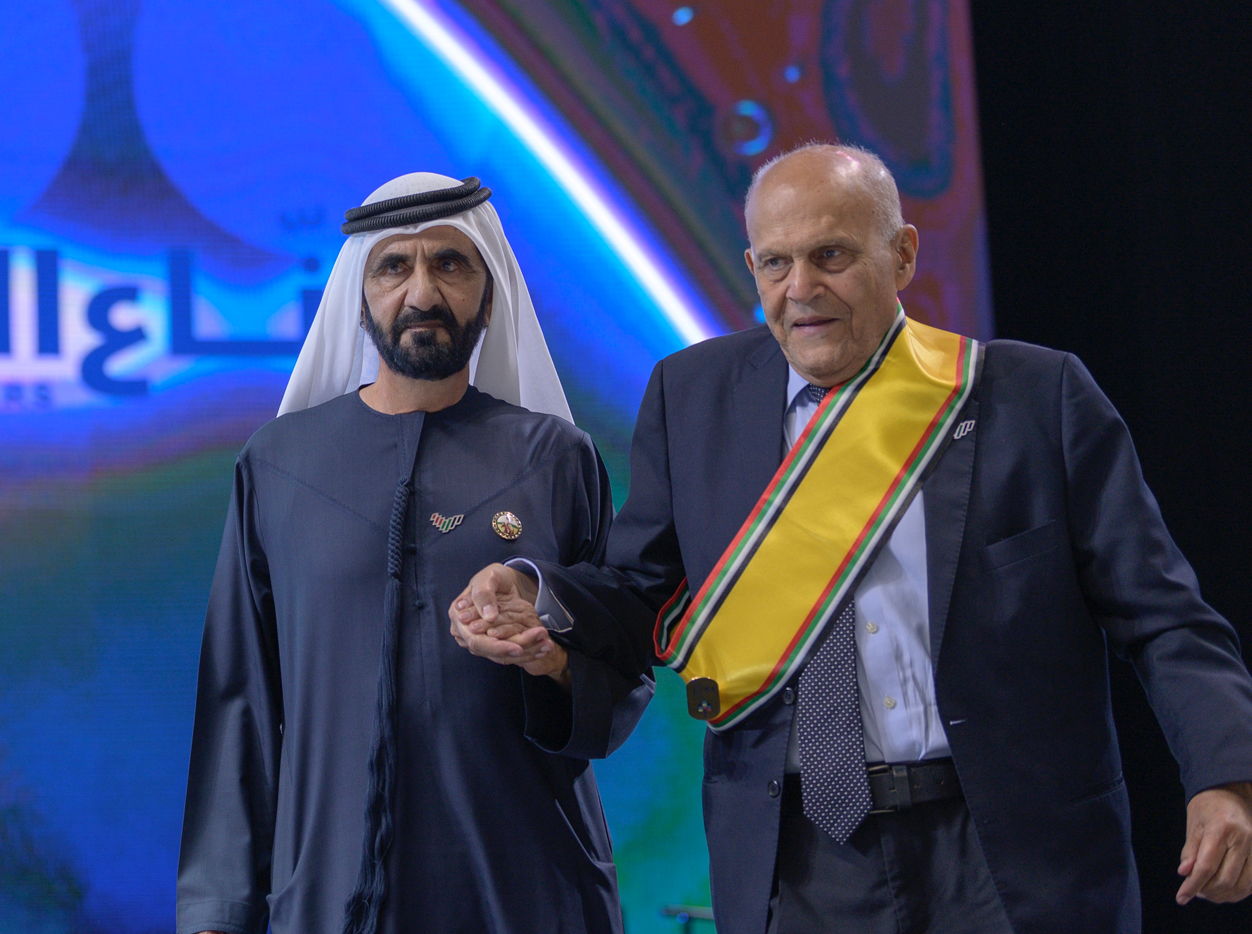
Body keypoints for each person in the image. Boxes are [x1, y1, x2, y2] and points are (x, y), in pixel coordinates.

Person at [452, 143, 1252, 934]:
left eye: (831, 255)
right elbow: (639, 595)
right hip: (799, 859)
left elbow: (1165, 616)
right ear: (752, 268)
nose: (801, 288)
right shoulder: (691, 397)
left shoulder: (1036, 397)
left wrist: (1228, 776)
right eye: (776, 262)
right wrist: (539, 593)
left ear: (902, 254)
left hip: (1009, 852)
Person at [177, 173, 650, 934]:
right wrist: (217, 913)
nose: (422, 292)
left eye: (451, 264)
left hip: (526, 893)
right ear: (359, 294)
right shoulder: (279, 463)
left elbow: (623, 675)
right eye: (393, 266)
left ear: (489, 297)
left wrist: (552, 662)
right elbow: (240, 701)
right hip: (329, 893)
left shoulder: (556, 458)